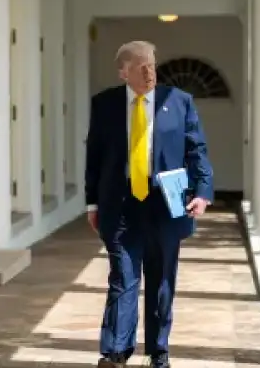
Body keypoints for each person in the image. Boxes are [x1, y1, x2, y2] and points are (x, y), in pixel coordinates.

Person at [85, 40, 214, 368]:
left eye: (152, 65)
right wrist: (92, 204)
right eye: (141, 66)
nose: (149, 72)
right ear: (123, 72)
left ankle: (159, 351)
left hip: (165, 203)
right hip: (121, 204)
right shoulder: (105, 104)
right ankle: (115, 352)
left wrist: (202, 192)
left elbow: (196, 150)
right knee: (122, 276)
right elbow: (95, 156)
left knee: (161, 280)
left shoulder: (179, 102)